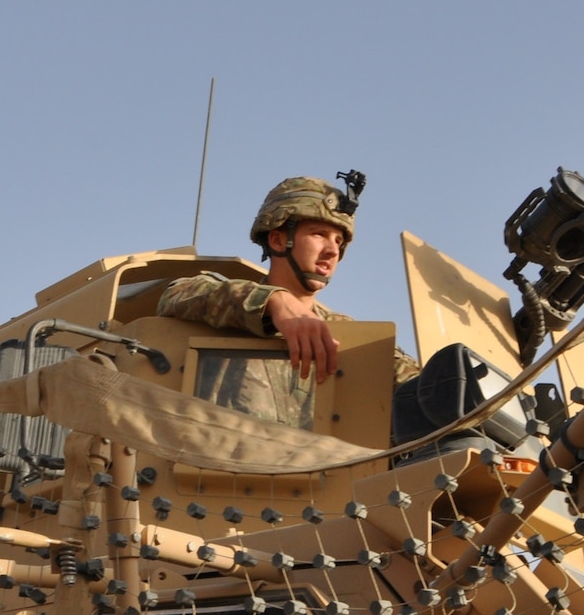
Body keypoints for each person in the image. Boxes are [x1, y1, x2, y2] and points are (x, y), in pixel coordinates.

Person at [157, 176, 417, 428]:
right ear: (278, 239)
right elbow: (175, 294)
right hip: (223, 467)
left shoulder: (344, 333)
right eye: (319, 234)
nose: (333, 250)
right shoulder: (232, 306)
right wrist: (273, 301)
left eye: (339, 241)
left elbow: (415, 382)